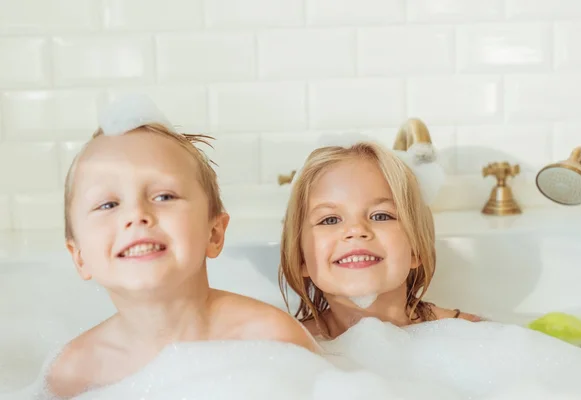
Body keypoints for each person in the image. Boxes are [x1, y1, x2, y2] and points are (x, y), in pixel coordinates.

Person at [45, 95, 318, 398]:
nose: (137, 215)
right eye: (108, 204)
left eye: (164, 197)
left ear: (214, 233)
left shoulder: (272, 340)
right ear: (80, 257)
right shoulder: (74, 373)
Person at [279, 141, 480, 340]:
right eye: (330, 220)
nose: (356, 230)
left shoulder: (472, 336)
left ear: (415, 250)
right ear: (301, 259)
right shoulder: (290, 344)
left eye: (381, 216)